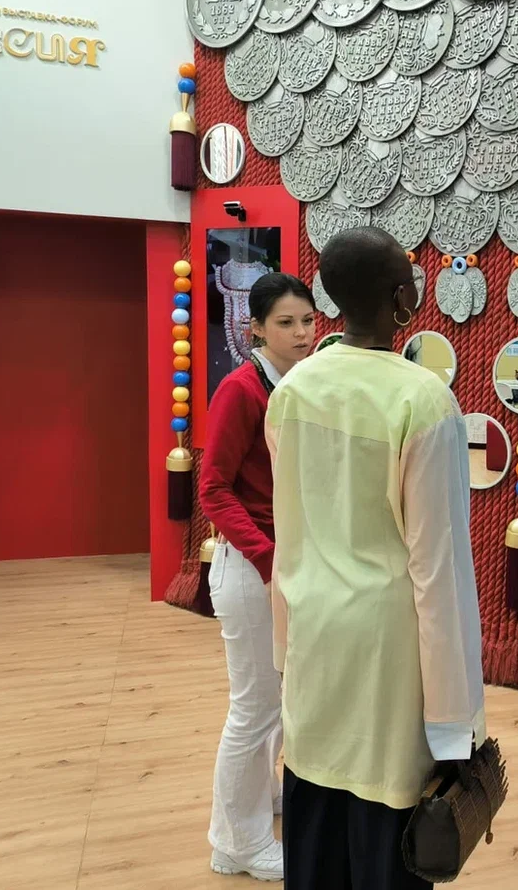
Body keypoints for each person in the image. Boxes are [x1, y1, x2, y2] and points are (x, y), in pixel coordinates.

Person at [266, 226, 485, 890]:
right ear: (401, 298)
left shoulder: (293, 390)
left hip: (314, 627)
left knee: (314, 813)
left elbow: (290, 530)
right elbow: (438, 569)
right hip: (387, 647)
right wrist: (455, 724)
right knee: (385, 825)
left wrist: (284, 650)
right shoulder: (422, 399)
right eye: (410, 279)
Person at [199, 272, 317, 882]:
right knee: (254, 708)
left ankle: (261, 798)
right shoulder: (242, 390)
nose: (301, 333)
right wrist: (268, 560)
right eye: (285, 323)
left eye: (307, 321)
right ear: (256, 330)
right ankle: (235, 843)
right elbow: (213, 489)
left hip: (284, 566)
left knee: (278, 701)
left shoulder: (302, 383)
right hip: (252, 569)